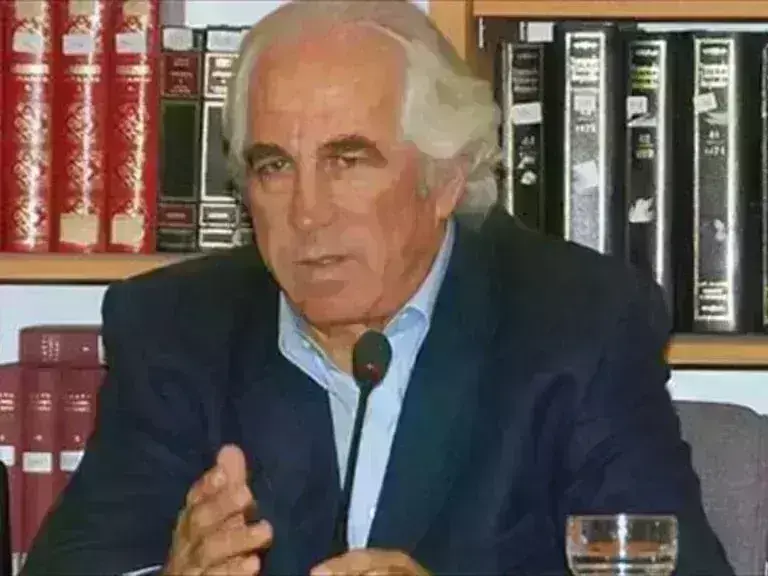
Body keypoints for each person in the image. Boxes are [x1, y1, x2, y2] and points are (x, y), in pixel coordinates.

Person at [21, 1, 734, 575]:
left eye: (348, 161)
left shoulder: (580, 323)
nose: (307, 213)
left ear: (445, 180)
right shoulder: (178, 328)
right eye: (274, 166)